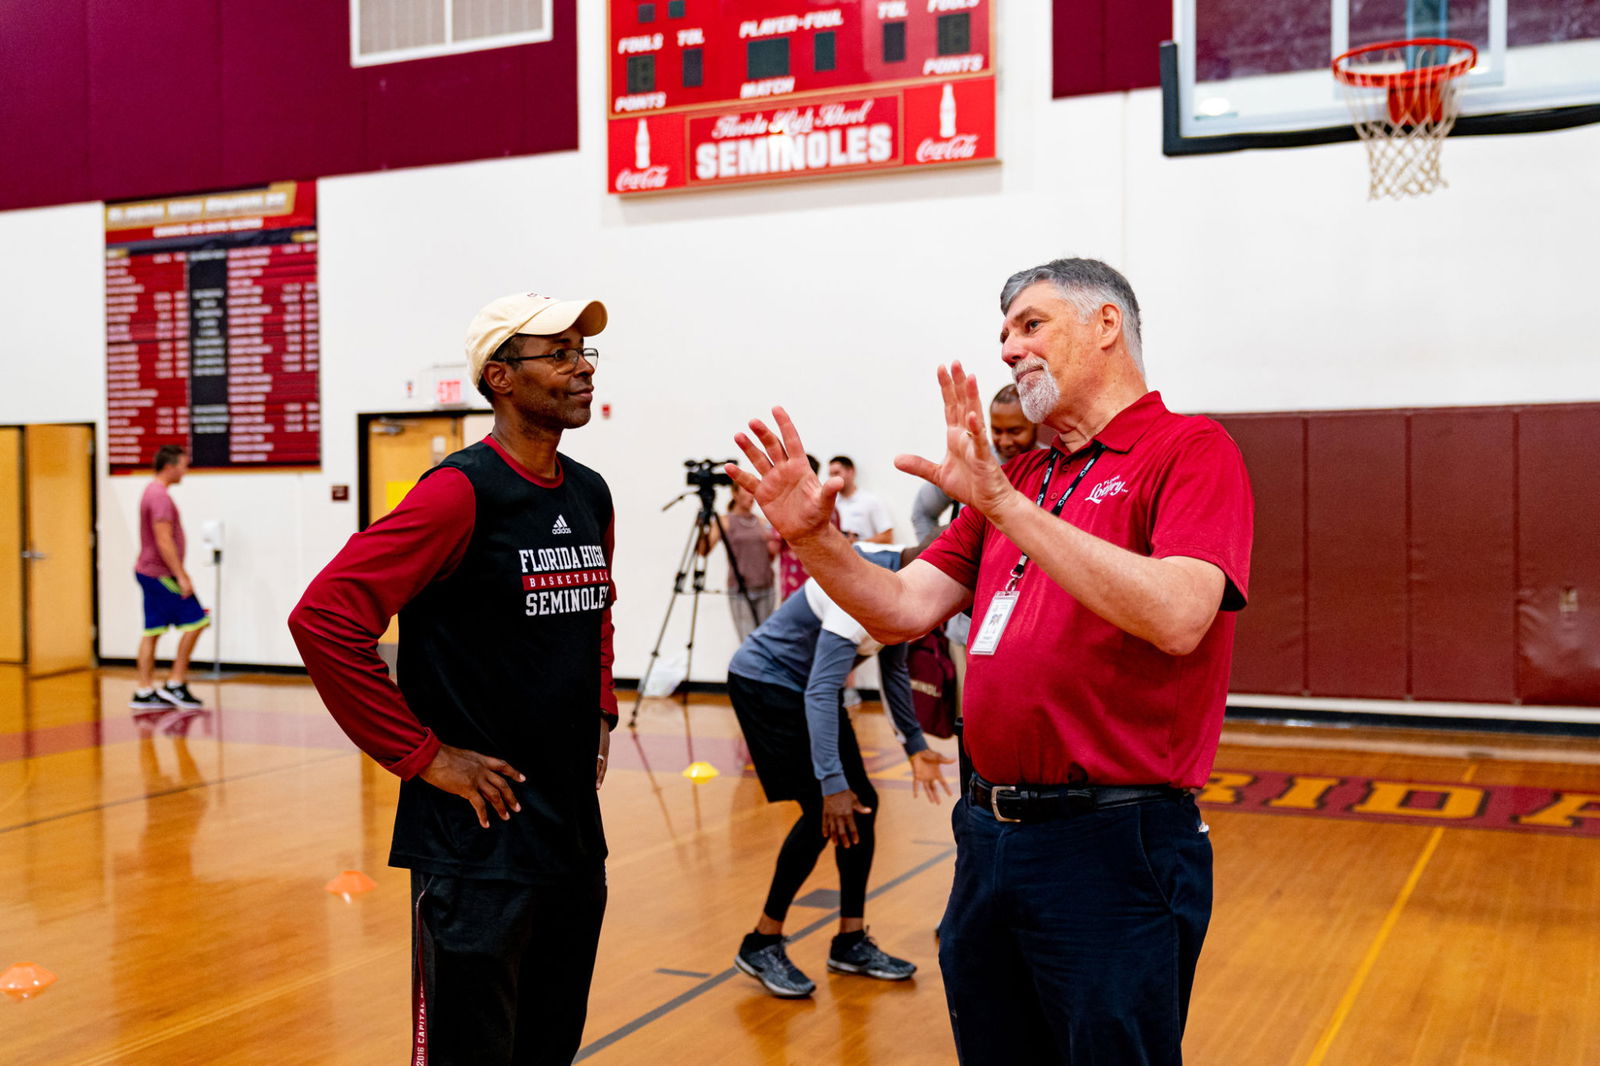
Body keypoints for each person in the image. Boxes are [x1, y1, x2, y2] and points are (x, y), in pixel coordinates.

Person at [728, 258, 1254, 1065]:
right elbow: (901, 607)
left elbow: (1181, 616)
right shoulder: (1022, 477)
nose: (1008, 350)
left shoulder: (1188, 449)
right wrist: (812, 538)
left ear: (1106, 325)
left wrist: (1002, 504)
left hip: (1114, 843)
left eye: (1030, 325)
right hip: (987, 836)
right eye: (1004, 332)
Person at [288, 289, 618, 1066]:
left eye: (585, 353)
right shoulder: (457, 493)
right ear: (501, 378)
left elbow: (598, 608)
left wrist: (599, 708)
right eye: (560, 354)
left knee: (549, 1044)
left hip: (570, 830)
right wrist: (424, 756)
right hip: (475, 840)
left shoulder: (590, 492)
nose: (582, 370)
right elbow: (325, 619)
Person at [727, 545, 956, 998]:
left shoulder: (909, 590)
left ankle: (849, 942)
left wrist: (914, 747)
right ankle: (762, 942)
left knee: (862, 805)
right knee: (822, 812)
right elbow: (820, 690)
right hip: (767, 683)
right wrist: (832, 784)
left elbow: (892, 669)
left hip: (807, 688)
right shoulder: (860, 585)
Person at [130, 444, 208, 714]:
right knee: (198, 620)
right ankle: (175, 682)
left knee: (153, 630)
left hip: (151, 572)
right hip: (161, 574)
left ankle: (144, 689)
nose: (186, 470)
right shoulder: (159, 496)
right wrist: (181, 575)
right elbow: (164, 540)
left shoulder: (152, 492)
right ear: (170, 466)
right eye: (183, 464)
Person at [696, 480, 778, 642]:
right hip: (741, 588)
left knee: (767, 640)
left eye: (753, 491)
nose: (752, 496)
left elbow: (771, 554)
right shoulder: (725, 522)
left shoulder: (762, 522)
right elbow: (703, 551)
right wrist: (701, 528)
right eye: (747, 491)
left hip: (766, 586)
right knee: (749, 640)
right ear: (735, 494)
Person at [827, 456, 894, 543]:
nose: (833, 478)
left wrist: (857, 544)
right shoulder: (830, 504)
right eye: (831, 474)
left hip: (863, 554)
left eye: (836, 473)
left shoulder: (870, 501)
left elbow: (887, 536)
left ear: (851, 471)